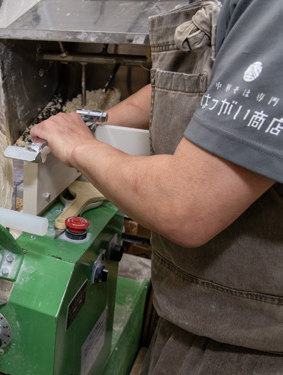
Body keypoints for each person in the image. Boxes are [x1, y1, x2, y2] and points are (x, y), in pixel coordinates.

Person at [31, 0, 282, 373]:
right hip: (193, 316)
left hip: (247, 343)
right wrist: (101, 122)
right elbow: (207, 87)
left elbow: (185, 205)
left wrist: (82, 147)